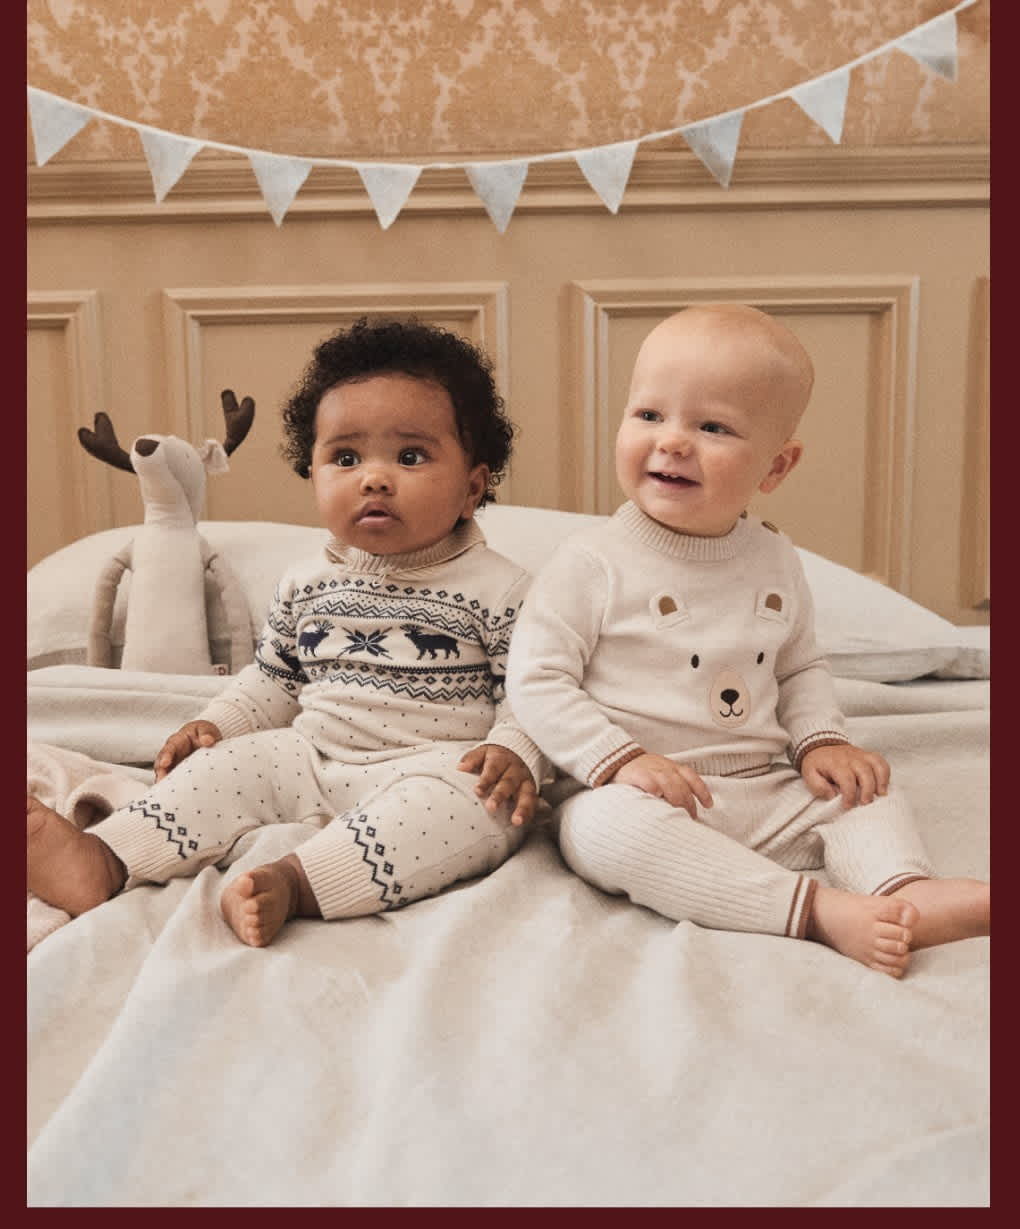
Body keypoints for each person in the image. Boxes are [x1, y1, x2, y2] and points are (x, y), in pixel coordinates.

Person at [28, 317, 546, 947]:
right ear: (314, 474)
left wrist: (516, 748)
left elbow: (537, 692)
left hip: (434, 766)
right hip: (310, 755)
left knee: (483, 808)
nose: (374, 478)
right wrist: (219, 724)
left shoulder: (502, 590)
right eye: (346, 458)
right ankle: (103, 859)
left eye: (410, 456)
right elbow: (272, 681)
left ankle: (297, 883)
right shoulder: (306, 583)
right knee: (225, 768)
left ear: (472, 487)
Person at [506, 303, 989, 977]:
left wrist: (823, 741)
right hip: (643, 792)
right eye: (649, 415)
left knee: (863, 792)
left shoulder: (774, 559)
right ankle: (815, 910)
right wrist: (618, 761)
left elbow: (799, 667)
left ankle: (903, 892)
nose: (672, 441)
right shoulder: (591, 563)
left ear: (776, 467)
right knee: (595, 832)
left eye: (712, 427)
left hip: (767, 785)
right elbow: (535, 679)